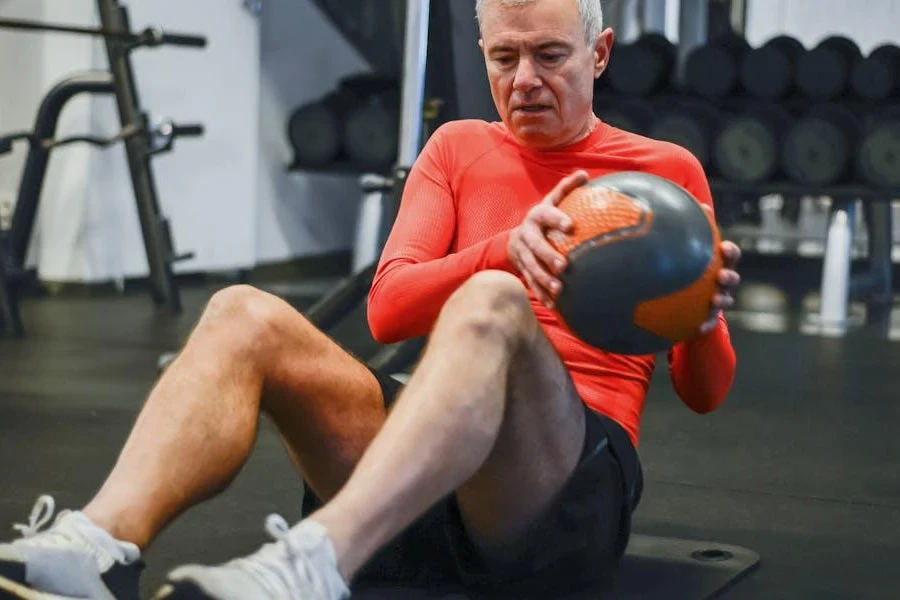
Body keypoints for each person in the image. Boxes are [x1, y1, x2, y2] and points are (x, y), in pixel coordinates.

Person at [0, 0, 741, 598]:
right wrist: (505, 248)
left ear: (599, 53)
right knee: (240, 312)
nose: (524, 80)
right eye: (502, 58)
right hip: (427, 472)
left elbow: (705, 394)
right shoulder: (456, 148)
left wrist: (702, 316)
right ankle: (100, 544)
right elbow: (387, 309)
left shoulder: (661, 172)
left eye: (550, 56)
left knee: (490, 303)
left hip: (563, 493)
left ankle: (314, 566)